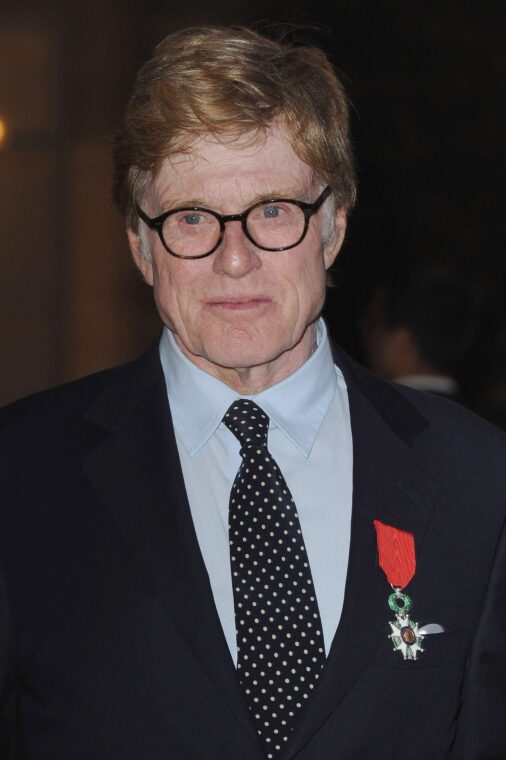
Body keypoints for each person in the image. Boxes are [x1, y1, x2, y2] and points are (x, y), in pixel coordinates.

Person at [0, 25, 505, 760]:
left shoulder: (477, 482)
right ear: (142, 246)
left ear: (332, 227)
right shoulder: (20, 474)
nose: (233, 260)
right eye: (192, 219)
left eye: (273, 211)